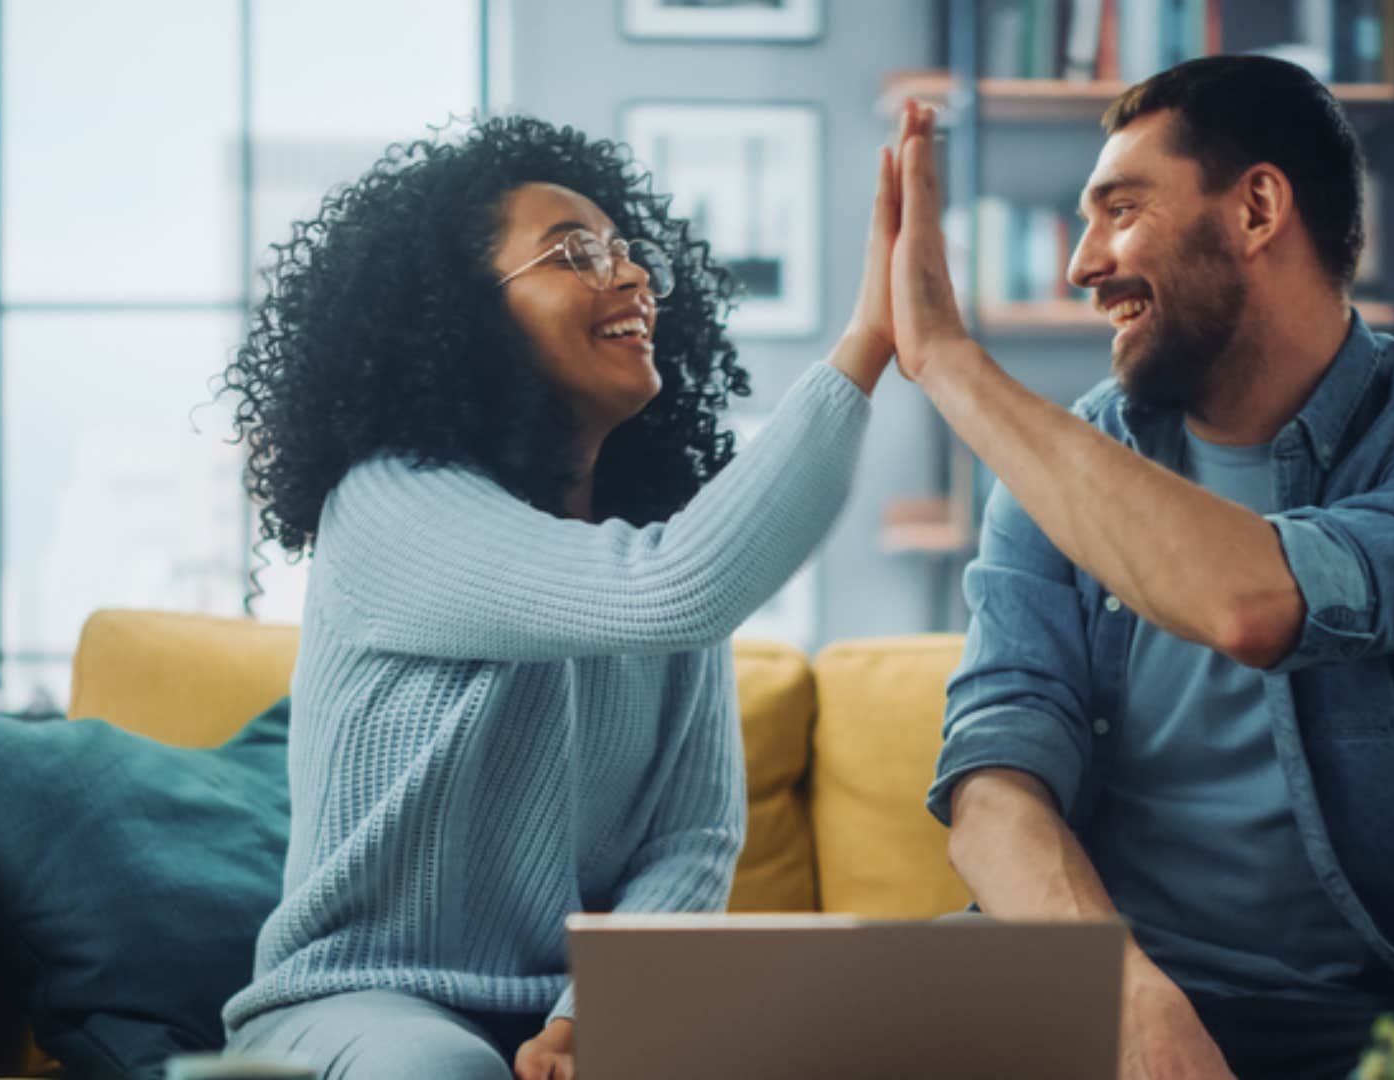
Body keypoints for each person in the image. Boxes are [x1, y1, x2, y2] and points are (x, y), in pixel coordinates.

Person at [883, 57, 1394, 1080]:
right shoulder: (1061, 466)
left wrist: (948, 359)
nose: (1083, 263)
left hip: (1358, 1020)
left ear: (1257, 208)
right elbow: (994, 788)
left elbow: (1255, 603)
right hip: (1087, 981)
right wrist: (1123, 997)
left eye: (1120, 210)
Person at [216, 112, 906, 1080]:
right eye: (573, 253)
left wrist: (590, 1022)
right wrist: (869, 344)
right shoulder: (386, 506)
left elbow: (692, 840)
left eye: (626, 252)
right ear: (461, 316)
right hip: (359, 1002)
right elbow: (673, 590)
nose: (627, 277)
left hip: (574, 1017)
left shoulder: (652, 537)